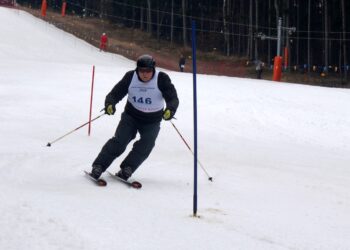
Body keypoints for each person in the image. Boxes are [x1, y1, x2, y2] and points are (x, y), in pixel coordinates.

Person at [89, 55, 179, 181]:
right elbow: (116, 93)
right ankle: (99, 166)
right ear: (137, 70)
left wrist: (170, 109)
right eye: (142, 71)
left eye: (148, 71)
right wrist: (110, 104)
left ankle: (128, 168)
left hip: (152, 120)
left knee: (146, 144)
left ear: (153, 69)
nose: (145, 74)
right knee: (120, 141)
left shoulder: (162, 78)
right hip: (131, 116)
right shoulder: (131, 77)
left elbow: (172, 97)